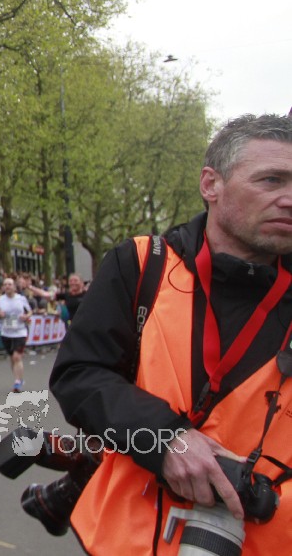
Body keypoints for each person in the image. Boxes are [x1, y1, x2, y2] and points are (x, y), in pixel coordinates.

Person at [50, 114, 292, 553]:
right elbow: (79, 374)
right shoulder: (142, 263)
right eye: (271, 180)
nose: (289, 199)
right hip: (129, 539)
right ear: (211, 184)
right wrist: (166, 439)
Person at [0, 277, 32, 392]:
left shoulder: (21, 299)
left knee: (17, 356)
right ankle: (18, 378)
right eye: (5, 284)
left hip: (20, 331)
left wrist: (26, 316)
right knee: (12, 358)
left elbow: (30, 311)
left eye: (10, 284)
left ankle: (17, 382)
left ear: (14, 287)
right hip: (6, 332)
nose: (7, 286)